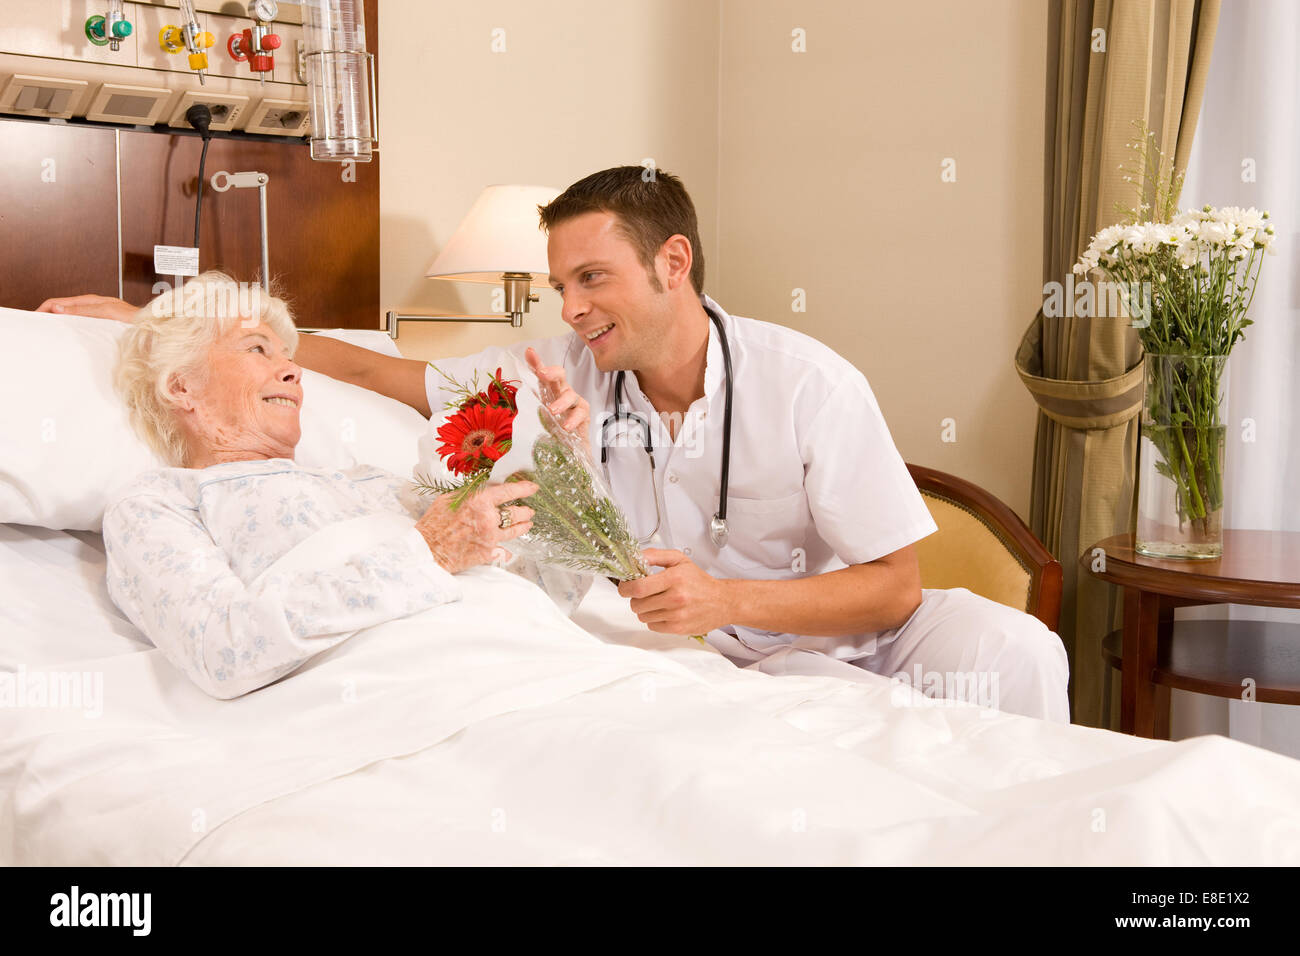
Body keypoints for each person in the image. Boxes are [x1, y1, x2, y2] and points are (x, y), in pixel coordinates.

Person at [42, 168, 1070, 723]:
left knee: (1017, 650)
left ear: (674, 262)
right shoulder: (553, 379)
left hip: (848, 621)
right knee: (849, 730)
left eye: (591, 279)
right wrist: (152, 316)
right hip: (701, 654)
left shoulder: (807, 382)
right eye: (558, 286)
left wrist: (726, 597)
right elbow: (372, 370)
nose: (571, 309)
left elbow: (893, 585)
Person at [98, 272, 539, 699]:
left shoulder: (373, 481)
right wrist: (428, 553)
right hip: (411, 690)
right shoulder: (157, 506)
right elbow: (224, 651)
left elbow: (535, 589)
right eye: (258, 349)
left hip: (530, 662)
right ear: (182, 386)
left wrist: (564, 458)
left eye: (288, 356)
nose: (293, 370)